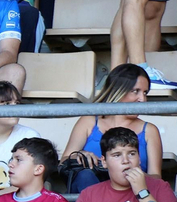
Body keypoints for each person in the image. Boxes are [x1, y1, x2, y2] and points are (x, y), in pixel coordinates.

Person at [60, 64, 165, 192]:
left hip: (130, 193)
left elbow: (156, 178)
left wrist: (131, 174)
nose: (142, 99)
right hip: (91, 191)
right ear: (118, 90)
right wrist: (79, 155)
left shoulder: (149, 130)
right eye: (135, 91)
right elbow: (63, 162)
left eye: (145, 93)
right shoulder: (89, 121)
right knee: (85, 176)